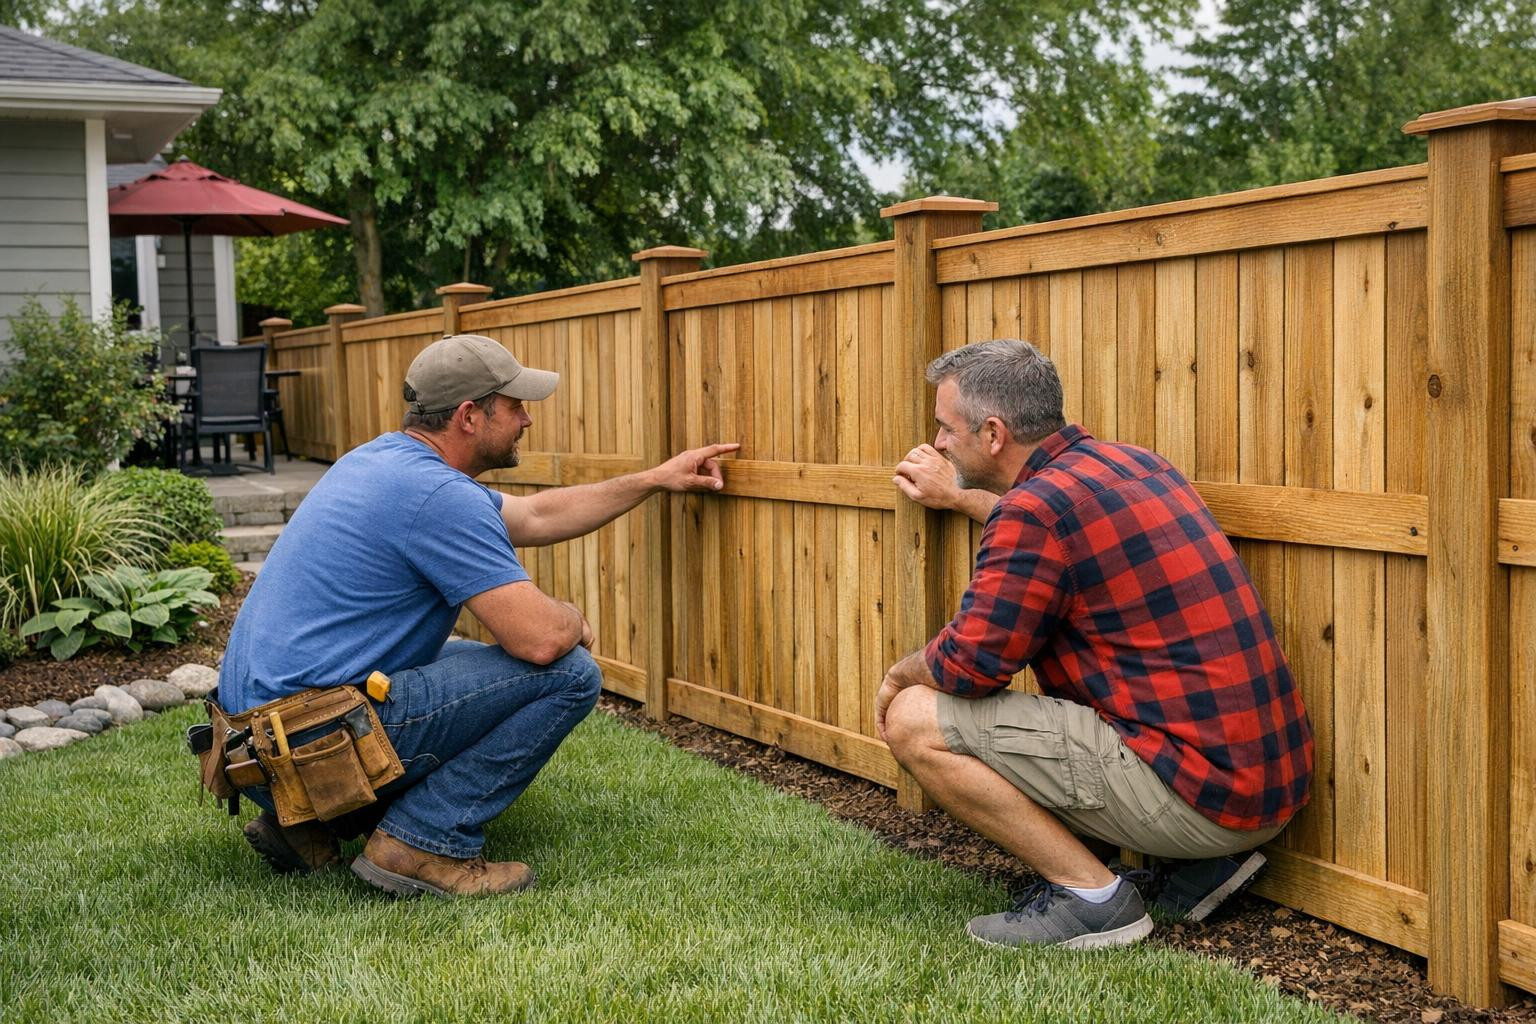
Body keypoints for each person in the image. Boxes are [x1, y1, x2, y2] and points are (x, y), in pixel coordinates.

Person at [216, 332, 738, 898]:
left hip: (255, 744)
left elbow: (536, 514)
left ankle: (308, 826)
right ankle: (422, 844)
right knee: (567, 673)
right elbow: (538, 641)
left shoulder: (379, 461)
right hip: (307, 745)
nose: (527, 420)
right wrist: (571, 621)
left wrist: (656, 478)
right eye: (515, 406)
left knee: (467, 658)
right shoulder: (438, 496)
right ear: (469, 415)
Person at [878, 338, 1312, 949]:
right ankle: (1197, 868)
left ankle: (1093, 898)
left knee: (915, 718)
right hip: (1261, 788)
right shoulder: (1135, 464)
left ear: (994, 433)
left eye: (946, 429)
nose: (940, 444)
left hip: (1200, 802)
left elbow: (970, 666)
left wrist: (899, 675)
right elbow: (1059, 531)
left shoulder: (1033, 513)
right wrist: (963, 497)